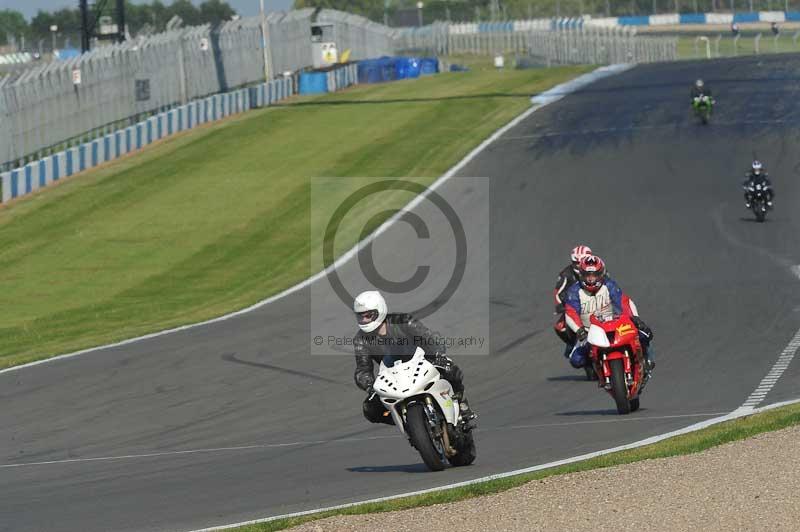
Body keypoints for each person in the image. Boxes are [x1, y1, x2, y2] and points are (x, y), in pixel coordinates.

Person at [352, 290, 476, 428]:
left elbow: (428, 338)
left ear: (379, 311)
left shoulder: (403, 321)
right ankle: (408, 423)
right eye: (360, 317)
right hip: (393, 376)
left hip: (421, 362)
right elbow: (362, 370)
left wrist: (437, 355)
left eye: (368, 316)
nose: (364, 320)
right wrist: (370, 387)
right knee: (370, 409)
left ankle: (461, 405)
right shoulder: (360, 339)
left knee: (450, 368)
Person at [563, 255, 655, 376]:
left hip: (613, 324)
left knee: (645, 334)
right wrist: (579, 330)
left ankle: (646, 359)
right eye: (587, 275)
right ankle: (594, 367)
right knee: (576, 359)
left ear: (601, 274)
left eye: (594, 275)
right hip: (588, 331)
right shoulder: (574, 291)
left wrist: (635, 318)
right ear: (581, 275)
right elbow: (570, 312)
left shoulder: (609, 285)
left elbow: (623, 301)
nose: (591, 279)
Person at [553, 245, 593, 353]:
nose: (579, 265)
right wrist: (561, 305)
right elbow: (558, 292)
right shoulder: (565, 274)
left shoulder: (598, 268)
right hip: (574, 305)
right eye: (576, 263)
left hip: (596, 302)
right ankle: (571, 344)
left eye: (582, 262)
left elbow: (609, 283)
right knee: (560, 327)